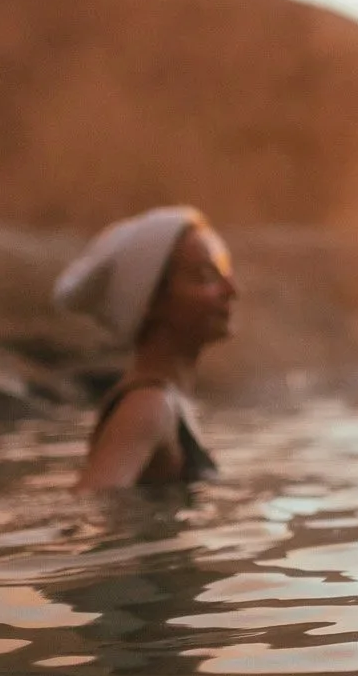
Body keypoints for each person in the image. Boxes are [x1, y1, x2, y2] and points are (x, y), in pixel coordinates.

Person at [54, 206, 237, 490]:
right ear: (150, 302)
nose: (231, 290)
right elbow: (91, 505)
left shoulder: (164, 401)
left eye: (224, 272)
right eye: (205, 276)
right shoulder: (148, 405)